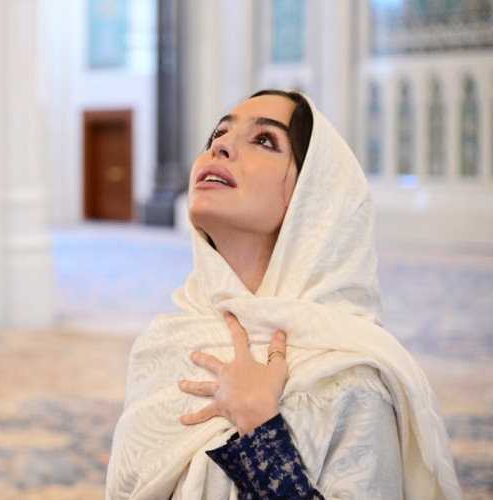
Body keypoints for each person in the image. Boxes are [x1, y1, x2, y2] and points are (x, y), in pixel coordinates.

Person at [105, 90, 461, 499]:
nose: (220, 147)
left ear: (314, 199)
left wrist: (260, 427)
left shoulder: (348, 377)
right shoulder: (165, 343)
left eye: (264, 140)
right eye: (219, 134)